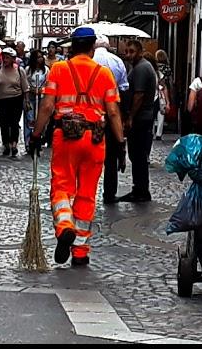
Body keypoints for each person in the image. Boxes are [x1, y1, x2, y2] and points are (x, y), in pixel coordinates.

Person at [28, 27, 125, 266]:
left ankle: (64, 227)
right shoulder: (104, 74)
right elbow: (113, 112)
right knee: (86, 195)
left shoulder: (59, 70)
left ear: (72, 46)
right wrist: (121, 144)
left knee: (61, 186)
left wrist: (36, 135)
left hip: (66, 136)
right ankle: (80, 252)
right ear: (92, 48)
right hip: (95, 139)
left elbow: (48, 107)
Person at [118, 39, 157, 202]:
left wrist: (131, 117)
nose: (128, 55)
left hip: (141, 118)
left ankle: (141, 190)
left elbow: (139, 95)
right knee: (137, 154)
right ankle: (139, 188)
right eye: (126, 51)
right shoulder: (140, 67)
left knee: (138, 154)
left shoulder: (141, 68)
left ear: (140, 52)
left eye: (131, 51)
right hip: (142, 117)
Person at [92, 34, 129, 204]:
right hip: (111, 111)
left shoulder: (89, 59)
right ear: (108, 46)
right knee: (111, 156)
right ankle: (109, 193)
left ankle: (86, 192)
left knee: (89, 156)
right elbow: (124, 88)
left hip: (90, 113)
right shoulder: (117, 61)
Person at [0, 47, 31, 156]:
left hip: (16, 99)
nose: (5, 60)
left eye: (7, 58)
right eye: (3, 57)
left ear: (13, 59)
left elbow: (25, 87)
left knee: (14, 122)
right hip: (1, 100)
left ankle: (14, 144)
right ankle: (6, 144)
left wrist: (26, 101)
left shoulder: (19, 70)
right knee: (4, 122)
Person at [23, 49, 50, 154]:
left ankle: (38, 142)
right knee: (29, 119)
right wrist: (31, 89)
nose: (40, 59)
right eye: (38, 57)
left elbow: (48, 84)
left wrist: (42, 90)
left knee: (40, 119)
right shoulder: (28, 70)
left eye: (41, 57)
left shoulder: (46, 70)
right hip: (30, 97)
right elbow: (25, 83)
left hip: (42, 97)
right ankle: (28, 143)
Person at [152, 50, 171, 140]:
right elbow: (168, 81)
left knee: (152, 113)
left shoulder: (154, 68)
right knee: (161, 112)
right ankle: (159, 133)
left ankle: (151, 131)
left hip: (156, 91)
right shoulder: (167, 68)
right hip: (163, 90)